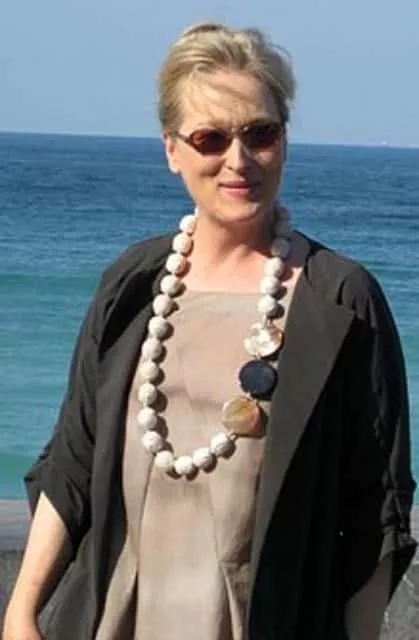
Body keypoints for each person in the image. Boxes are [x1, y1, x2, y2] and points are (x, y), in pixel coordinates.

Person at [3, 22, 417, 640]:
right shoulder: (132, 287)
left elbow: (375, 512)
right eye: (210, 138)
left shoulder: (339, 300)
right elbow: (71, 461)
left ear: (284, 141)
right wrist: (20, 613)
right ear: (173, 151)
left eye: (260, 134)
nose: (238, 160)